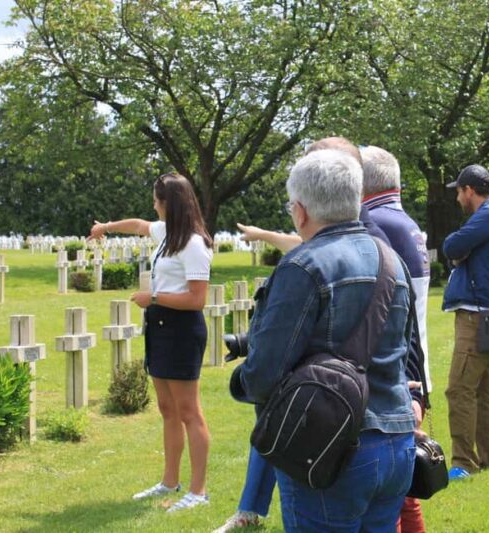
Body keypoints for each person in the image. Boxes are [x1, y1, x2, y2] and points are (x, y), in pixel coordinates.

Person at [215, 137, 426, 532]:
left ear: (299, 211)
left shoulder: (303, 265)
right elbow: (404, 349)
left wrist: (238, 383)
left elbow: (264, 372)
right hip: (395, 440)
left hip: (332, 444)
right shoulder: (390, 259)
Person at [89, 172, 213, 513]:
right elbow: (140, 225)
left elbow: (197, 299)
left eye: (156, 199)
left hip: (183, 330)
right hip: (160, 326)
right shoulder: (167, 233)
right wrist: (107, 226)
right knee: (167, 409)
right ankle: (169, 481)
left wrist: (154, 296)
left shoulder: (193, 243)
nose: (153, 205)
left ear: (168, 203)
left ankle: (198, 491)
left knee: (189, 412)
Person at [360, 145, 431, 533]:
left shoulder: (377, 223)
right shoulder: (404, 221)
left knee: (391, 499)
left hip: (396, 372)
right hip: (414, 365)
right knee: (404, 491)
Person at [441, 164, 489, 480]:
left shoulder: (488, 216)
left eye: (458, 191)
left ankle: (463, 463)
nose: (457, 198)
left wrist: (461, 252)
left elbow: (451, 247)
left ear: (469, 190)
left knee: (459, 388)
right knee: (484, 389)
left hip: (477, 314)